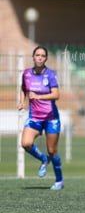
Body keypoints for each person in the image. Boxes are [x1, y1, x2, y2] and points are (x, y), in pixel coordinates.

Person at [18, 46, 64, 190]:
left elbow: (56, 95)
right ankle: (43, 159)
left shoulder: (50, 74)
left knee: (52, 150)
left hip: (51, 118)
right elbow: (23, 88)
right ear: (33, 57)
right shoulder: (26, 74)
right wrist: (22, 101)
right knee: (25, 143)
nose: (39, 57)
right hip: (35, 117)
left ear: (46, 58)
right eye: (37, 55)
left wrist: (39, 96)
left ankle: (59, 180)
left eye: (42, 55)